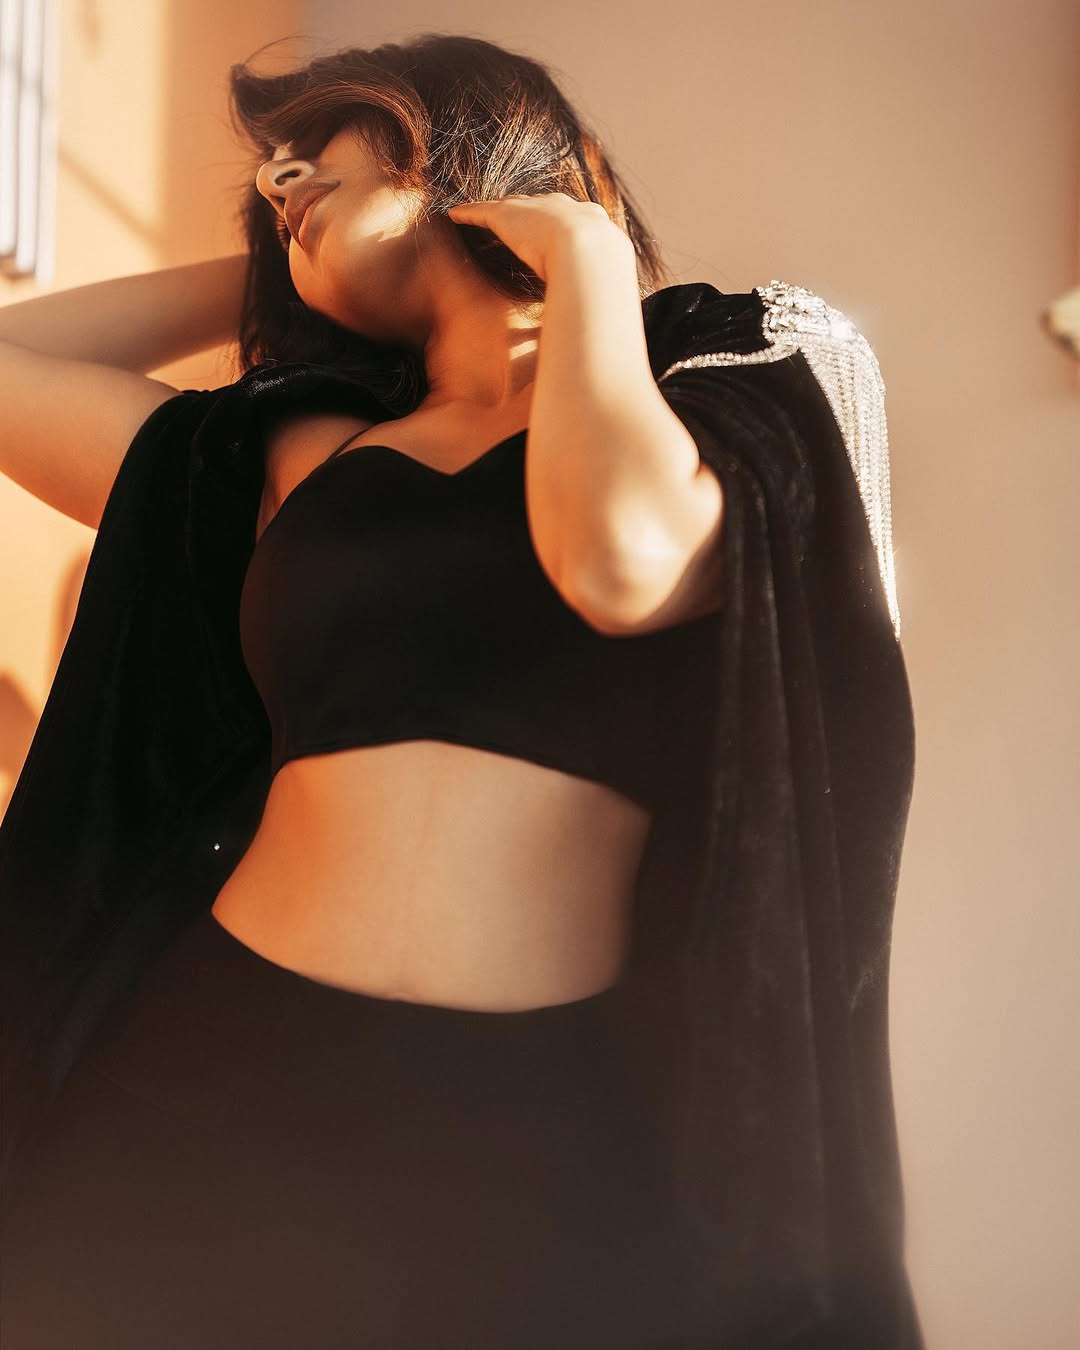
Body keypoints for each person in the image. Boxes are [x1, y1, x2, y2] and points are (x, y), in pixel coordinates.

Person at [0, 32, 924, 1350]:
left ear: (467, 126)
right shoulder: (300, 449)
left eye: (316, 140)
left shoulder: (718, 396)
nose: (279, 178)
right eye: (271, 174)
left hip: (536, 1137)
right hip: (209, 1073)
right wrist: (272, 260)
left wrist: (581, 250)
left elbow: (618, 562)